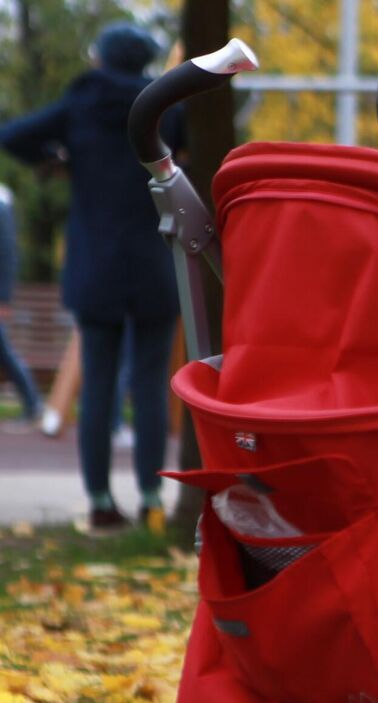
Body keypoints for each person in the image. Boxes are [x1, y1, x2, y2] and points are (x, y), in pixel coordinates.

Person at [0, 23, 181, 532]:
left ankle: (100, 499)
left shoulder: (80, 104)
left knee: (97, 386)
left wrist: (58, 160)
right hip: (152, 263)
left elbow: (11, 136)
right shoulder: (163, 106)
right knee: (148, 385)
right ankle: (151, 498)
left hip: (95, 265)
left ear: (102, 58)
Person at [0, 181, 45, 428]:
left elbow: (7, 254)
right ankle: (33, 402)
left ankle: (33, 402)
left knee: (4, 350)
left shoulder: (1, 203)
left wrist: (4, 297)